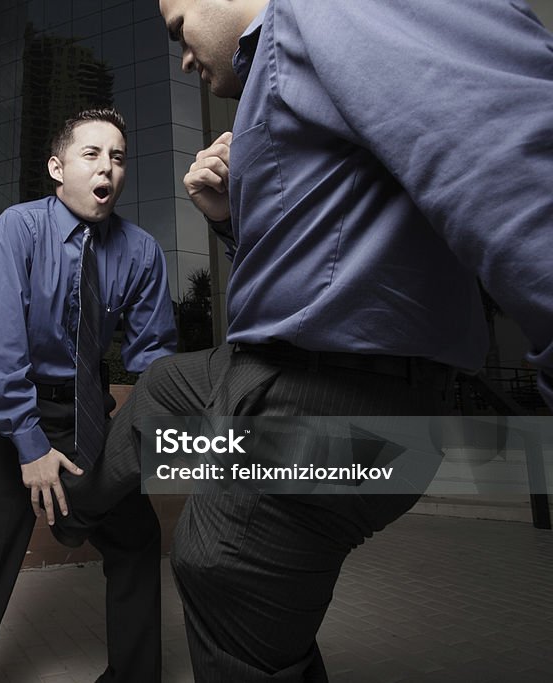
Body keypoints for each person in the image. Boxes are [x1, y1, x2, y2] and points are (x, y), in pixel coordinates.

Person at [67, 1, 553, 681]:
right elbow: (327, 258)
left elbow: (516, 165)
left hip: (343, 401)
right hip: (270, 368)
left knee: (217, 564)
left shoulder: (336, 9)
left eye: (178, 29)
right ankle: (78, 507)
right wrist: (235, 219)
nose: (182, 55)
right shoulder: (285, 64)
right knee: (160, 392)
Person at [0, 108, 178, 683]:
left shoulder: (141, 252)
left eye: (117, 157)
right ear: (56, 167)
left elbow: (154, 361)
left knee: (137, 539)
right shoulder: (20, 228)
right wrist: (30, 446)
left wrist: (158, 433)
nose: (107, 168)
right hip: (11, 415)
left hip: (87, 416)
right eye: (91, 154)